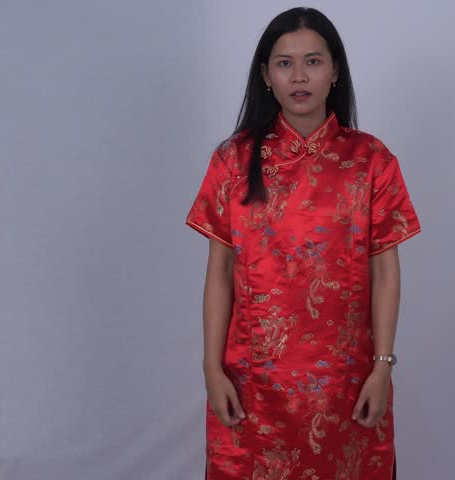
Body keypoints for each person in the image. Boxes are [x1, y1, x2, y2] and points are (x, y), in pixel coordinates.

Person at [185, 7, 421, 479]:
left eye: (313, 61)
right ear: (266, 76)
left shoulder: (371, 161)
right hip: (252, 381)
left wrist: (382, 368)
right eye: (284, 63)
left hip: (347, 384)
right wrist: (212, 369)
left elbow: (385, 272)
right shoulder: (234, 161)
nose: (299, 76)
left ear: (335, 71)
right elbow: (220, 271)